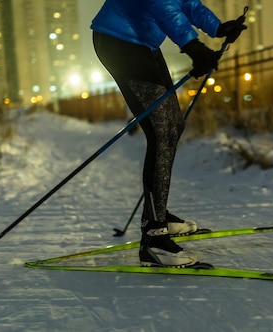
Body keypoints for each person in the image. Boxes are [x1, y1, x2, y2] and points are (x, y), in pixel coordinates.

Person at [91, 1, 246, 268]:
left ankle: (158, 214)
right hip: (120, 41)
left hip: (143, 42)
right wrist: (193, 46)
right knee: (162, 131)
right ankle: (154, 237)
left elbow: (187, 3)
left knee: (173, 126)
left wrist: (218, 27)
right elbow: (161, 3)